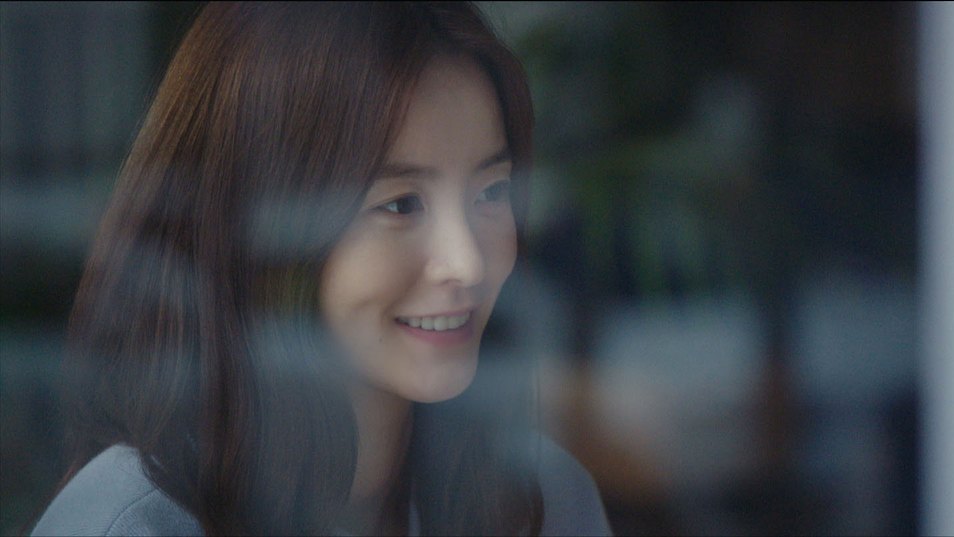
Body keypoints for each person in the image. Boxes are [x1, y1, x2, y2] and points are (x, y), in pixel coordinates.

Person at [29, 2, 610, 535]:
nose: (467, 261)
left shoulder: (544, 503)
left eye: (492, 192)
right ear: (255, 234)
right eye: (400, 205)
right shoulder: (132, 524)